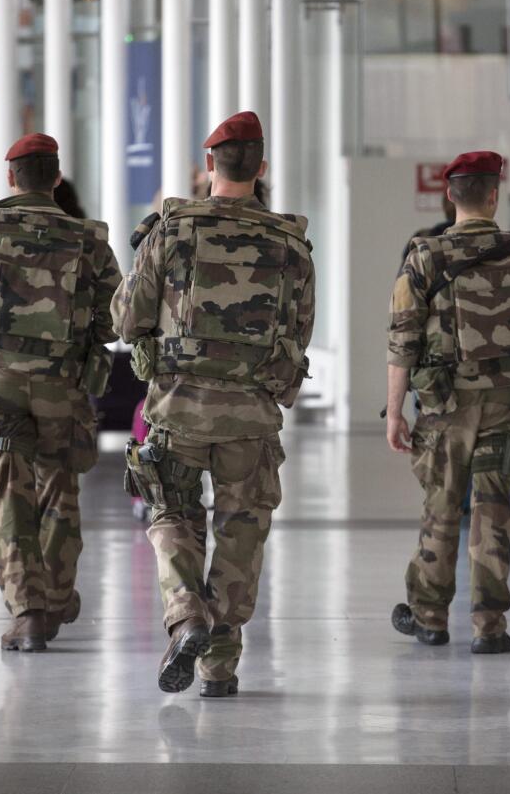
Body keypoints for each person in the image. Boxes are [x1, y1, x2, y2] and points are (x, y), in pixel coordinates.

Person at [112, 111, 316, 698]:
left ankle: (187, 613)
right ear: (262, 167)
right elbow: (299, 335)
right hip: (250, 418)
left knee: (172, 515)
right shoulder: (292, 245)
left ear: (209, 166)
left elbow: (126, 320)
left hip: (177, 410)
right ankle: (220, 669)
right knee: (240, 533)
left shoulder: (171, 231)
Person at [0, 133, 122, 653]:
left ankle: (28, 611)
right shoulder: (88, 238)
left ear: (11, 177)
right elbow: (115, 319)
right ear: (56, 178)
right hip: (66, 387)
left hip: (1, 385)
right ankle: (56, 600)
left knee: (11, 489)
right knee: (60, 489)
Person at [385, 150, 510, 654]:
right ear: (493, 195)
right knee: (492, 510)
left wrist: (395, 411)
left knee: (441, 507)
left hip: (443, 407)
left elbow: (402, 341)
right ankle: (489, 627)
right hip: (506, 403)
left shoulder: (425, 257)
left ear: (450, 195)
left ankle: (430, 618)